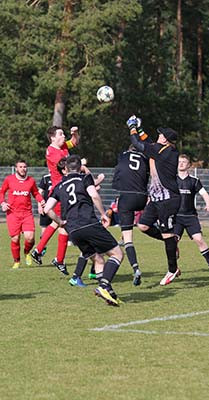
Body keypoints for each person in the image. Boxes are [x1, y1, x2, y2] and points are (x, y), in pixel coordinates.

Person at [44, 155, 124, 306]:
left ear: (66, 169)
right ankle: (104, 286)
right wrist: (103, 214)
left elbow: (47, 209)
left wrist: (60, 222)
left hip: (73, 230)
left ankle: (108, 293)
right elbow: (94, 195)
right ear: (80, 167)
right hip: (88, 223)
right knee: (117, 254)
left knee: (98, 259)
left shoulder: (59, 186)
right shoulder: (84, 178)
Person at [127, 115, 181, 286]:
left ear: (166, 141)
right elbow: (149, 142)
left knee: (166, 233)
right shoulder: (161, 148)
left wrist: (133, 128)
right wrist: (141, 129)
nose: (159, 135)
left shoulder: (167, 152)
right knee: (143, 226)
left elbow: (139, 144)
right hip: (157, 198)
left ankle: (172, 270)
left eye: (161, 135)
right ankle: (171, 241)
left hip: (168, 199)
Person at [30, 125, 80, 275]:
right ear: (52, 137)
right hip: (61, 191)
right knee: (63, 224)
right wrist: (82, 167)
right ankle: (58, 259)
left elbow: (74, 142)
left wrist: (75, 134)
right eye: (60, 134)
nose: (63, 136)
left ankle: (39, 251)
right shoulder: (52, 152)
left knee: (58, 223)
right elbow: (67, 167)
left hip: (64, 189)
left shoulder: (62, 146)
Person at [175, 154, 209, 273]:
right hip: (176, 216)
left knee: (199, 240)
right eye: (179, 161)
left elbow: (204, 193)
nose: (181, 164)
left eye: (184, 162)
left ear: (189, 165)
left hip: (190, 216)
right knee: (173, 242)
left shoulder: (194, 181)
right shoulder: (172, 179)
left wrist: (208, 204)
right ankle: (173, 268)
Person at [111, 144, 150, 286]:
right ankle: (169, 240)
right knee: (145, 225)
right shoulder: (145, 158)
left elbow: (119, 172)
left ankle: (136, 268)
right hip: (142, 196)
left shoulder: (123, 155)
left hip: (127, 197)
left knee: (129, 239)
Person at [0, 160, 45, 269]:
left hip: (27, 214)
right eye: (20, 167)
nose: (23, 169)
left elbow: (36, 193)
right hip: (12, 214)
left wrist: (41, 200)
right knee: (15, 239)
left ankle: (26, 252)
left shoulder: (31, 181)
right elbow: (1, 192)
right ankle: (17, 261)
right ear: (16, 168)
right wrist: (3, 203)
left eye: (25, 167)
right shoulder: (9, 179)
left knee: (30, 238)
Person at [37, 173, 53, 256]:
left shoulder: (63, 176)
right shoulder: (46, 178)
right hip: (47, 207)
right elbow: (40, 192)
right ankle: (41, 249)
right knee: (44, 229)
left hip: (59, 208)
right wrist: (40, 205)